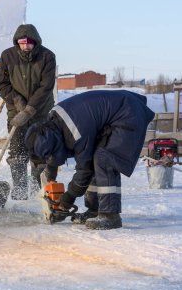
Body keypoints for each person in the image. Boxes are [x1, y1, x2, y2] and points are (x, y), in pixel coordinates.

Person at [25, 90, 155, 229]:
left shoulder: (75, 132)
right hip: (120, 110)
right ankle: (94, 210)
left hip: (127, 114)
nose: (49, 159)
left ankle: (110, 216)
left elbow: (85, 170)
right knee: (95, 158)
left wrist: (68, 198)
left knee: (104, 159)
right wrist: (50, 173)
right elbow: (56, 149)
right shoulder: (54, 122)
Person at [0, 24, 56, 200]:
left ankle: (39, 191)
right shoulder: (8, 56)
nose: (26, 46)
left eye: (29, 43)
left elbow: (46, 87)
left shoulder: (47, 56)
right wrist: (17, 100)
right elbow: (1, 83)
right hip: (16, 111)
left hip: (40, 112)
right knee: (17, 151)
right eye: (22, 43)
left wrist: (30, 109)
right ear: (17, 42)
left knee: (40, 151)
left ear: (35, 42)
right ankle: (20, 191)